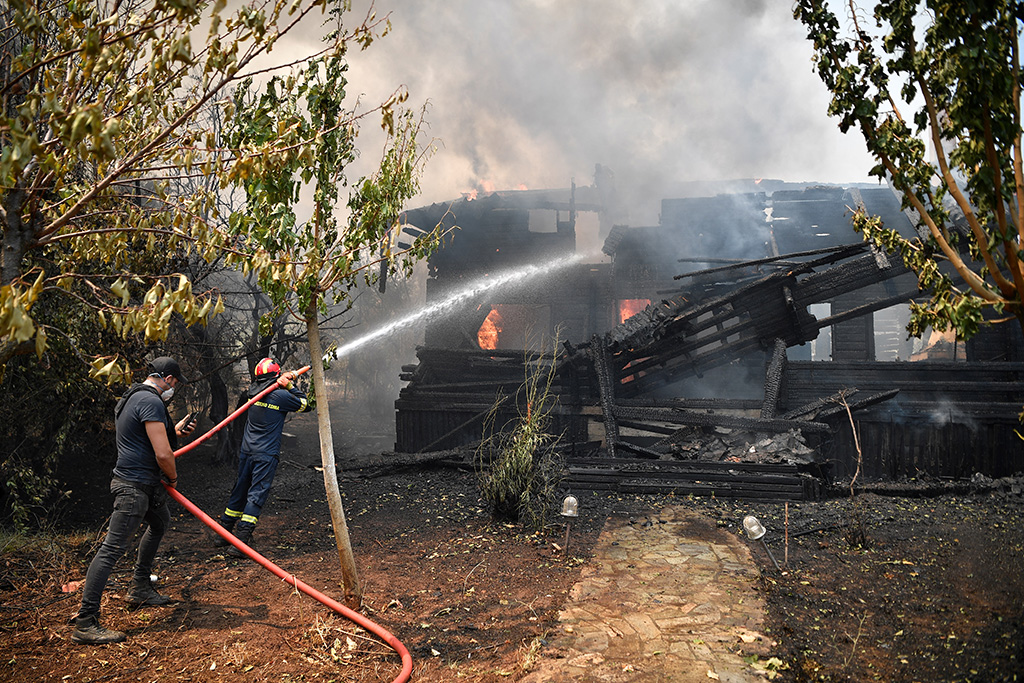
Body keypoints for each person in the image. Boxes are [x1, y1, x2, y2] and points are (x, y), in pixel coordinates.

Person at [71, 356, 196, 645]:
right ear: (168, 379)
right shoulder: (151, 402)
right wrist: (174, 480)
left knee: (160, 522)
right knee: (110, 550)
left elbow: (142, 437)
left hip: (142, 485)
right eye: (174, 383)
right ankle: (86, 621)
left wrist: (174, 431)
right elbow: (163, 455)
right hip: (134, 489)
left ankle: (140, 587)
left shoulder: (132, 397)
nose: (173, 389)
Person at [213, 358, 310, 558]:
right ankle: (241, 543)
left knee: (240, 489)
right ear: (276, 376)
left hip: (247, 451)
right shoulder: (280, 396)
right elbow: (306, 405)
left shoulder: (252, 391)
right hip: (266, 454)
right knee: (256, 494)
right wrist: (290, 385)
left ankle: (223, 534)